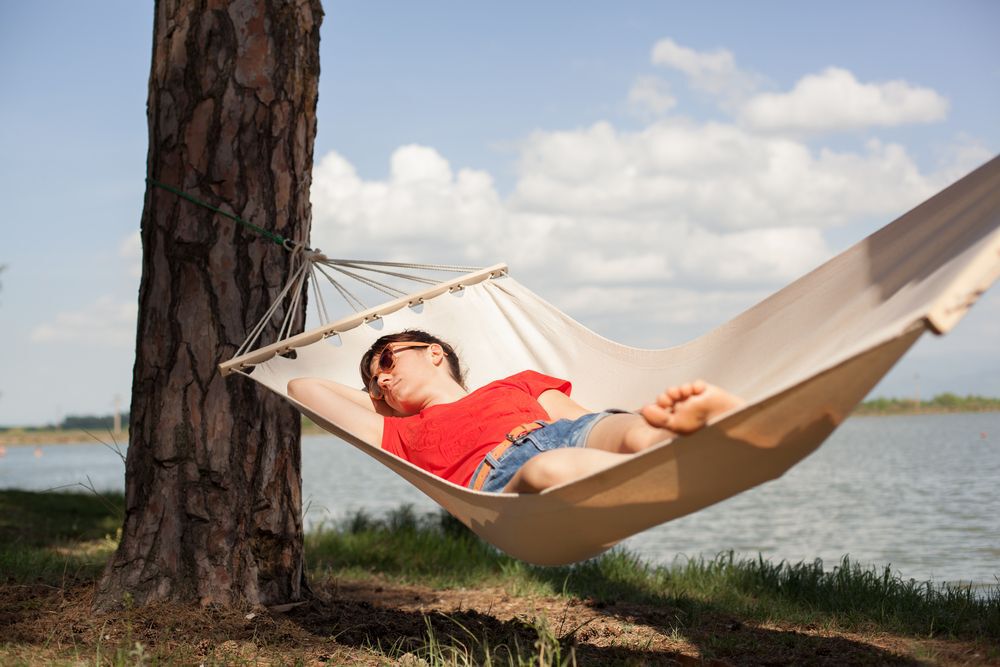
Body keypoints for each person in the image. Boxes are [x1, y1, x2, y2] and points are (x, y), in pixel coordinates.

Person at [288, 330, 743, 494]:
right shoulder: (401, 434)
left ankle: (676, 431)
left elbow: (580, 418)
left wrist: (615, 426)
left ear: (432, 353)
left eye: (387, 361)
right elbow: (303, 387)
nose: (383, 380)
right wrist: (383, 397)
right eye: (374, 384)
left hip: (565, 433)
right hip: (505, 472)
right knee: (549, 470)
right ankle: (670, 457)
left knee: (622, 429)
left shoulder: (514, 383)